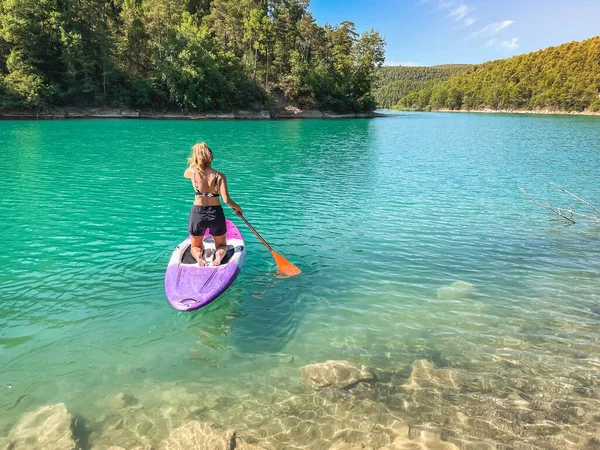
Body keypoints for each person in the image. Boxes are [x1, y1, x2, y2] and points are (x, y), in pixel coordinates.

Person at [184, 142, 242, 266]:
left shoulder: (192, 173)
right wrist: (238, 208)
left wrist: (196, 160)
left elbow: (186, 171)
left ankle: (199, 257)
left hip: (197, 213)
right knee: (221, 245)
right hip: (215, 213)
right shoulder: (219, 176)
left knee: (195, 246)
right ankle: (218, 257)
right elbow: (227, 200)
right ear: (211, 157)